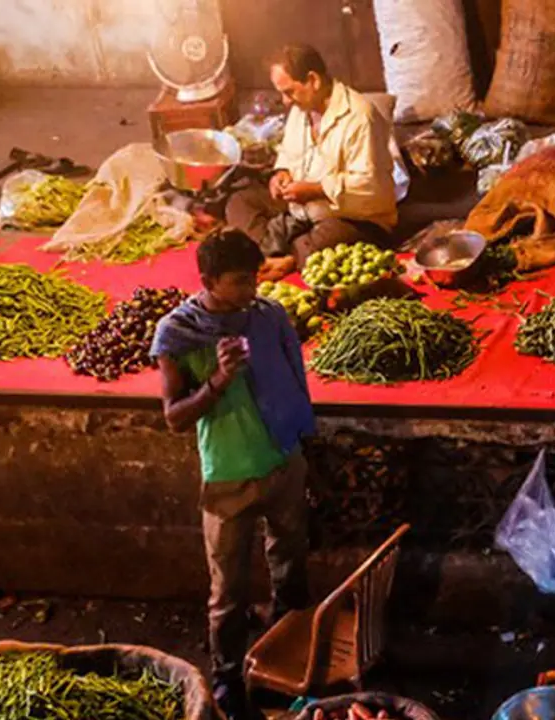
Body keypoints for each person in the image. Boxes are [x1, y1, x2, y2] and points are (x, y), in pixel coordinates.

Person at [151, 229, 317, 720]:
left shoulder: (269, 317)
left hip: (284, 462)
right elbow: (175, 417)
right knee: (228, 591)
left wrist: (305, 446)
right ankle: (226, 677)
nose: (252, 290)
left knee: (291, 567)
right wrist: (219, 380)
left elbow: (296, 381)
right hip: (228, 477)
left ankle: (289, 660)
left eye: (255, 278)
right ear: (208, 281)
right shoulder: (177, 335)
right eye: (240, 282)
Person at [227, 43, 397, 281]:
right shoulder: (301, 109)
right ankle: (279, 251)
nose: (285, 101)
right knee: (240, 202)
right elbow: (287, 152)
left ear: (313, 80)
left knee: (321, 243)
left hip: (350, 216)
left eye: (289, 92)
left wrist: (317, 191)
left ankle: (285, 255)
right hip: (300, 208)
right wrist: (281, 174)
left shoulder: (360, 116)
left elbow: (370, 187)